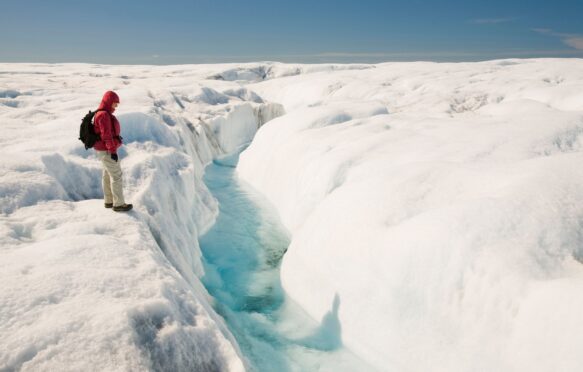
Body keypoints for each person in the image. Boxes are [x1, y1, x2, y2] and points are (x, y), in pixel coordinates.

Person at [93, 91, 133, 212]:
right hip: (106, 150)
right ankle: (119, 204)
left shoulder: (100, 113)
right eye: (115, 104)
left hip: (102, 149)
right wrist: (113, 151)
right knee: (116, 175)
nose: (116, 107)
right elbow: (107, 135)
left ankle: (109, 201)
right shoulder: (104, 115)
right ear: (109, 102)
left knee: (107, 174)